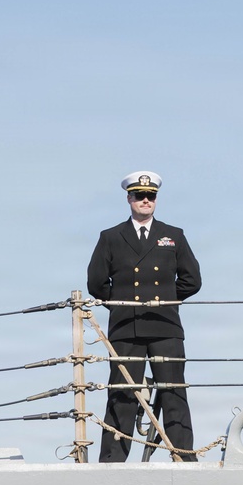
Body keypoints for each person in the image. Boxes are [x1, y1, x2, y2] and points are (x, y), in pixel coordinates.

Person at [87, 171, 202, 462]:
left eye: (150, 196)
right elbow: (96, 282)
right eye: (139, 195)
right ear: (129, 198)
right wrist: (124, 305)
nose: (145, 200)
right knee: (122, 394)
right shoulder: (111, 237)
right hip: (127, 327)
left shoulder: (173, 235)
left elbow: (192, 279)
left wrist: (163, 301)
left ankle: (183, 456)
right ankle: (112, 460)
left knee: (173, 392)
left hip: (165, 326)